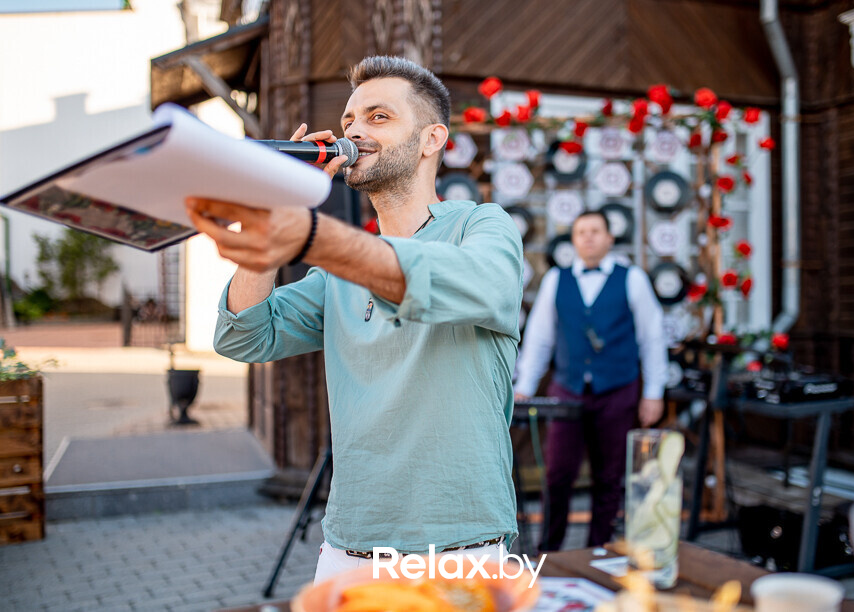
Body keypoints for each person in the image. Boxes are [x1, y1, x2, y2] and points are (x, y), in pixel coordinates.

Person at [184, 56, 524, 583]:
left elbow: (480, 283)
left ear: (432, 139)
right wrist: (276, 214)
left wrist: (314, 237)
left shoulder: (482, 225)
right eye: (349, 121)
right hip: (348, 549)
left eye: (378, 117)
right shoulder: (340, 266)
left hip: (461, 549)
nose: (355, 131)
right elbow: (244, 336)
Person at [513, 210, 667, 550]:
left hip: (617, 390)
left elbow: (652, 338)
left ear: (610, 238)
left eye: (596, 231)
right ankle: (549, 553)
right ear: (574, 240)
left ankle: (600, 550)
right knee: (558, 475)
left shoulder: (633, 278)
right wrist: (524, 386)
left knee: (609, 477)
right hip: (566, 392)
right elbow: (540, 338)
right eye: (581, 232)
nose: (588, 237)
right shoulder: (556, 278)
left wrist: (654, 392)